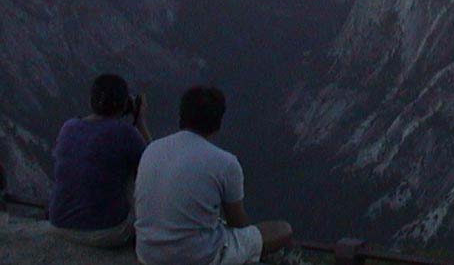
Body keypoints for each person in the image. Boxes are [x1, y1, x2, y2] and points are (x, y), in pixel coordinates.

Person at [134, 86, 292, 265]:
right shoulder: (226, 162)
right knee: (282, 230)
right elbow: (238, 223)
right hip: (198, 258)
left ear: (181, 116)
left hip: (147, 255)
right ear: (218, 123)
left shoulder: (151, 149)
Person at [48, 73, 152, 247]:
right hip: (106, 233)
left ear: (91, 101)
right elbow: (156, 166)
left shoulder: (69, 126)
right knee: (133, 172)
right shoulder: (125, 132)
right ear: (125, 104)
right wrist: (140, 121)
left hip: (58, 224)